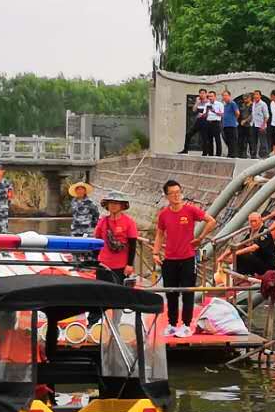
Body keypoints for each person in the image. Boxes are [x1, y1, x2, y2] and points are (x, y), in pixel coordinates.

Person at [152, 179, 216, 337]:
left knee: (188, 292)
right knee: (171, 293)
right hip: (170, 259)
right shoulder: (164, 214)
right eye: (172, 193)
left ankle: (187, 325)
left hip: (188, 258)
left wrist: (201, 237)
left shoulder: (190, 210)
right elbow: (160, 234)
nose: (176, 196)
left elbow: (211, 221)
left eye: (178, 192)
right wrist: (155, 252)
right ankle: (172, 324)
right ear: (166, 196)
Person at [93, 189, 138, 284]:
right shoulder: (102, 222)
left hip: (121, 266)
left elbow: (132, 245)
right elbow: (96, 243)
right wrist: (96, 261)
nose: (113, 205)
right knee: (102, 294)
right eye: (111, 203)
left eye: (116, 203)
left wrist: (129, 265)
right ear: (107, 205)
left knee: (119, 295)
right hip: (103, 265)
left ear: (122, 206)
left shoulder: (129, 222)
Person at [250, 89, 270, 157]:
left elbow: (266, 116)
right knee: (253, 140)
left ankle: (265, 155)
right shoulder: (253, 103)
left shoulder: (263, 104)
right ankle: (254, 155)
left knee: (263, 141)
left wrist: (263, 125)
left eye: (257, 94)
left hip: (261, 125)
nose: (255, 96)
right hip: (254, 124)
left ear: (260, 96)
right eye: (254, 95)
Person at [206, 89, 225, 157]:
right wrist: (206, 112)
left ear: (215, 97)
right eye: (209, 96)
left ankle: (218, 154)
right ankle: (210, 154)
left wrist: (214, 111)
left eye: (211, 96)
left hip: (216, 122)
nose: (210, 98)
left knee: (217, 139)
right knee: (209, 139)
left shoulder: (219, 104)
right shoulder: (207, 104)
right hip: (208, 122)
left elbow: (222, 114)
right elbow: (205, 115)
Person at [221, 89, 238, 156]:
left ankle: (233, 154)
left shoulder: (232, 103)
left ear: (229, 96)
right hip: (225, 125)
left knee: (232, 140)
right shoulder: (225, 105)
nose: (224, 97)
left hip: (231, 125)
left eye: (226, 95)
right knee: (227, 139)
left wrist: (234, 119)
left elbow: (237, 113)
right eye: (223, 95)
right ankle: (230, 153)